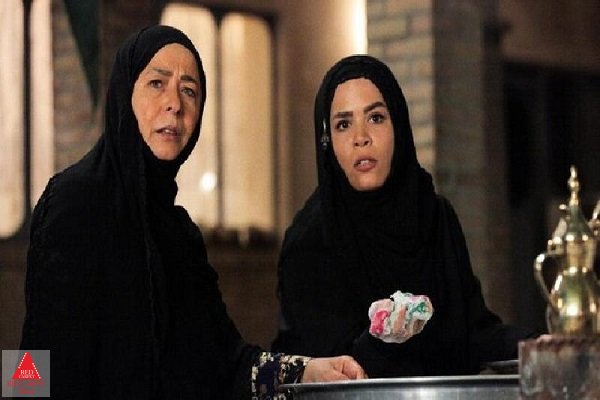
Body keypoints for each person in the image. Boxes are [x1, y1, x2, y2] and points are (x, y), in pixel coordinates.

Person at [20, 25, 365, 399]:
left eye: (189, 90)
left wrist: (307, 372)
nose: (174, 103)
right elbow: (34, 359)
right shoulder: (74, 200)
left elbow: (226, 364)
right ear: (124, 93)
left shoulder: (180, 233)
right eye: (157, 83)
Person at [271, 54, 536, 378]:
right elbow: (317, 373)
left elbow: (474, 334)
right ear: (328, 143)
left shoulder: (434, 216)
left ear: (398, 125)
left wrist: (539, 346)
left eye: (376, 118)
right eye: (343, 124)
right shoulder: (311, 240)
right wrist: (382, 339)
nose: (361, 137)